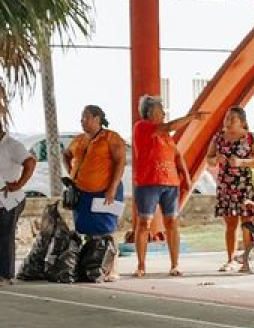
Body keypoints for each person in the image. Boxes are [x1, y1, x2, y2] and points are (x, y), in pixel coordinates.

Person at [132, 95, 204, 278]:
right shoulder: (143, 127)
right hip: (148, 182)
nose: (163, 113)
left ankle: (175, 264)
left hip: (170, 183)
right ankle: (141, 265)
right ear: (150, 112)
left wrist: (186, 177)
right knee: (144, 223)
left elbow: (177, 156)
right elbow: (169, 126)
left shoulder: (166, 137)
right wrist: (192, 116)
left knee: (171, 222)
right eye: (160, 110)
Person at [63, 105, 127, 281]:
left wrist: (112, 188)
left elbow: (121, 162)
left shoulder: (111, 138)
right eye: (81, 118)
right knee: (87, 231)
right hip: (82, 192)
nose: (82, 121)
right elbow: (66, 154)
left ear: (97, 119)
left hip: (105, 192)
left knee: (107, 230)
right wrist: (72, 173)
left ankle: (112, 269)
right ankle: (93, 267)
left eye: (86, 117)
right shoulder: (79, 139)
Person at [205, 106, 254, 272]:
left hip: (246, 185)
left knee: (247, 222)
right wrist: (215, 159)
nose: (228, 121)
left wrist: (242, 162)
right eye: (227, 117)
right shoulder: (218, 138)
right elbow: (208, 159)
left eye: (233, 118)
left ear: (243, 122)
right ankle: (231, 259)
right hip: (226, 185)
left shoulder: (251, 138)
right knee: (230, 224)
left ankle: (249, 258)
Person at [0, 124, 36, 284]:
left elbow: (30, 162)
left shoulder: (12, 145)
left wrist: (20, 183)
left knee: (5, 236)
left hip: (9, 199)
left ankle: (6, 275)